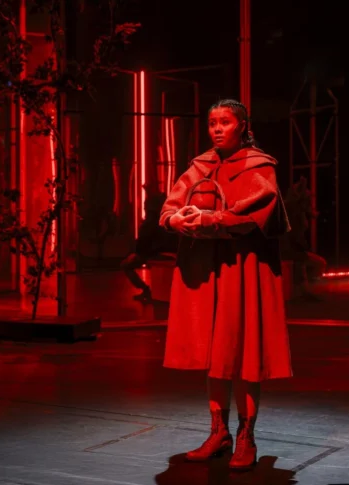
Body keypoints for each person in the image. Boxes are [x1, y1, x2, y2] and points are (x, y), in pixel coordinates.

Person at [159, 99, 292, 471]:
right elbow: (169, 207)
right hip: (207, 269)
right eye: (212, 122)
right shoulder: (200, 165)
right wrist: (175, 220)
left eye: (225, 122)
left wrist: (207, 219)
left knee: (243, 350)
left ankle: (246, 436)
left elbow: (251, 217)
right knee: (214, 350)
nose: (217, 129)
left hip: (242, 267)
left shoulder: (259, 165)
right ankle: (219, 433)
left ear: (242, 125)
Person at [121, 183, 178, 300]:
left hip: (154, 251)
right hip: (165, 249)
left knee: (126, 265)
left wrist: (136, 253)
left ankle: (145, 289)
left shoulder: (150, 222)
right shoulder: (165, 214)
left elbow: (145, 240)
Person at [281, 177, 326, 299]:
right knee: (314, 263)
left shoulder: (296, 211)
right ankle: (302, 291)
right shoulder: (292, 210)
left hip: (292, 248)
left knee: (311, 262)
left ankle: (303, 289)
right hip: (288, 250)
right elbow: (295, 237)